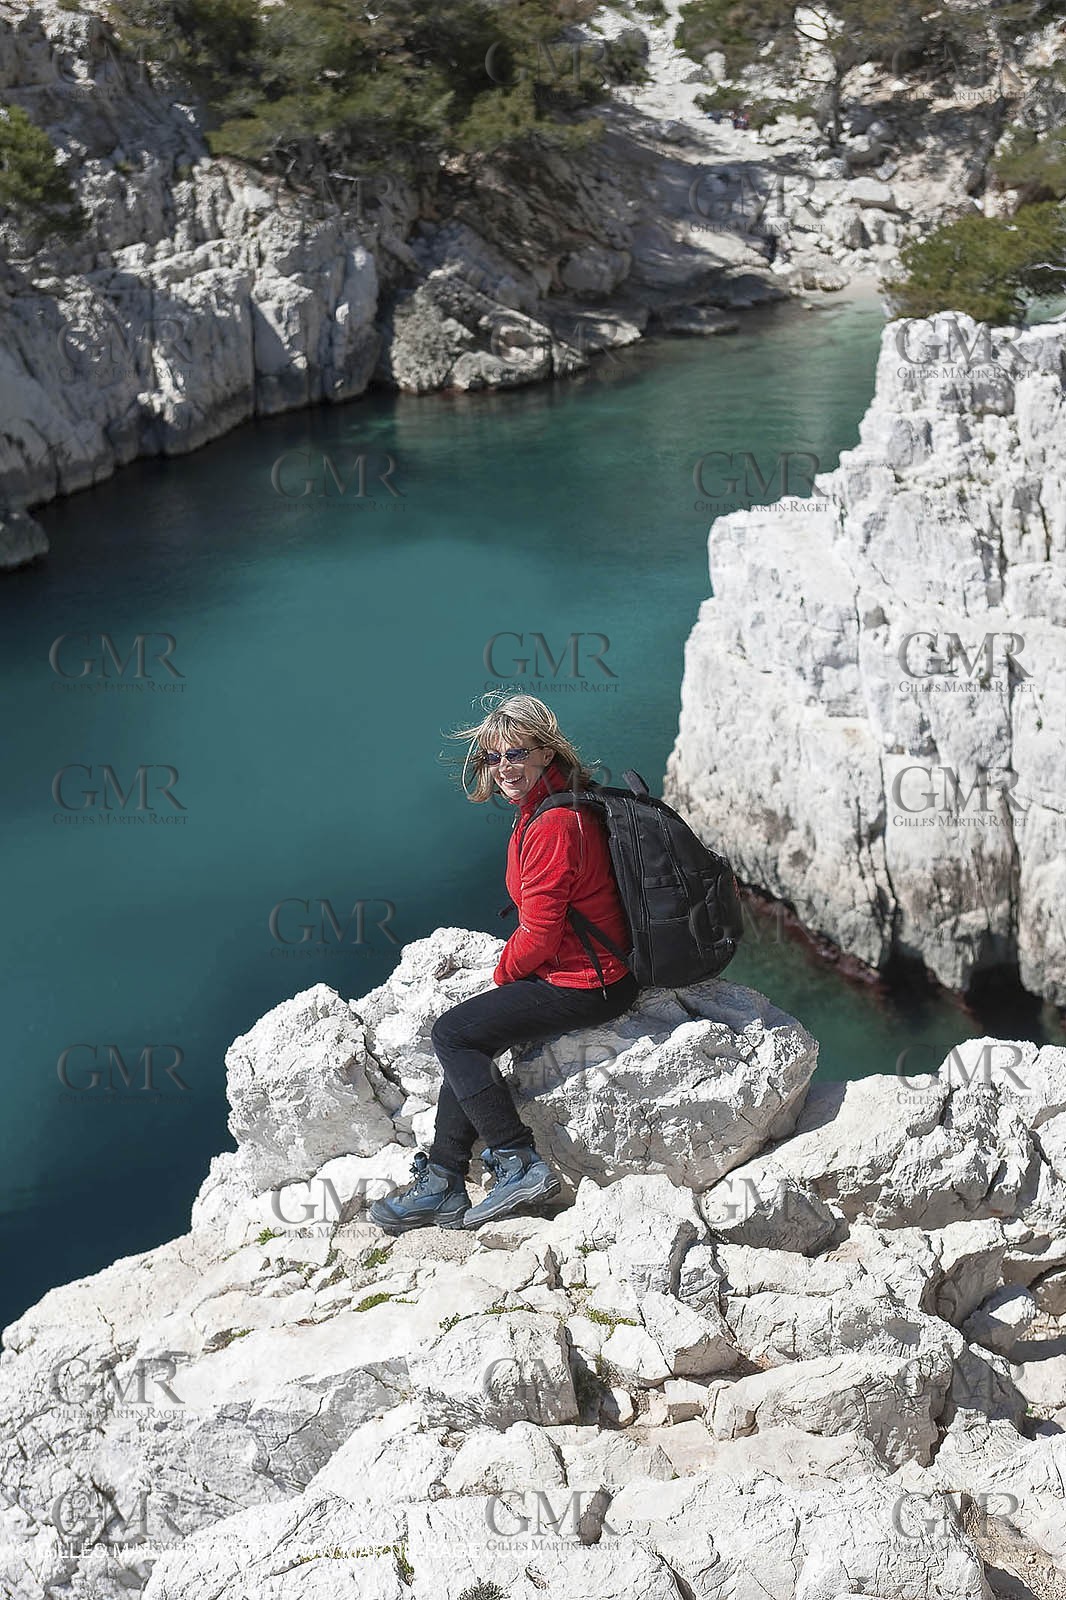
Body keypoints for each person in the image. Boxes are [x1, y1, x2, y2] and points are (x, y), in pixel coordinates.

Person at [369, 693, 639, 1236]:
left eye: (515, 753)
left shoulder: (553, 824)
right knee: (472, 1036)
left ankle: (519, 1163)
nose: (503, 769)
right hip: (589, 967)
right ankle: (444, 1181)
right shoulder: (557, 804)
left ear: (545, 751)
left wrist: (502, 975)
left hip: (591, 982)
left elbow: (539, 933)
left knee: (454, 1034)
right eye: (493, 758)